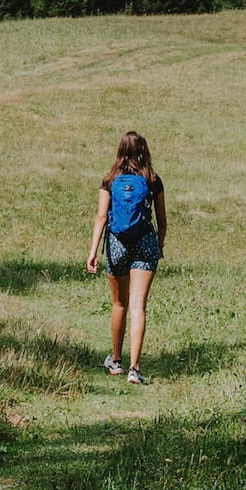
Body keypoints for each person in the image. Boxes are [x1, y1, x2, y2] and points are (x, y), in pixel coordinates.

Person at [85, 129, 166, 385]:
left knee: (119, 303)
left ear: (120, 151)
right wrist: (158, 246)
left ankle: (116, 361)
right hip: (145, 243)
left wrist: (93, 251)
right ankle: (135, 368)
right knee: (138, 306)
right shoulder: (153, 179)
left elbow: (100, 217)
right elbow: (162, 220)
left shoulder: (110, 179)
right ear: (144, 151)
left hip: (117, 244)